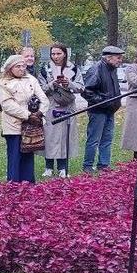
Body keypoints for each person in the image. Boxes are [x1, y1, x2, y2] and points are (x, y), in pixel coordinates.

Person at [0, 53, 50, 183]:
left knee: (28, 153)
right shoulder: (3, 83)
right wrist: (27, 115)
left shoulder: (31, 79)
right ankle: (14, 184)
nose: (21, 69)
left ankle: (28, 183)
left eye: (23, 66)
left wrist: (39, 113)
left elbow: (44, 99)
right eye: (18, 66)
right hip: (14, 125)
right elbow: (8, 105)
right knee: (15, 155)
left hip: (32, 124)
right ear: (10, 68)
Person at [39, 42, 82, 177]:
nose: (56, 56)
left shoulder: (73, 68)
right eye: (53, 54)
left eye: (59, 53)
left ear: (65, 54)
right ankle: (49, 167)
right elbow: (40, 88)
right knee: (50, 136)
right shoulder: (45, 69)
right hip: (51, 106)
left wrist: (68, 83)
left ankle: (63, 167)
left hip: (68, 106)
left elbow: (81, 87)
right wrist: (52, 84)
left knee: (65, 136)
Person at [81, 45, 124, 173]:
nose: (120, 60)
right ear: (108, 57)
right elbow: (87, 92)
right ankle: (88, 166)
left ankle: (104, 166)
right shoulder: (96, 69)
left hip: (110, 111)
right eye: (118, 58)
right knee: (94, 140)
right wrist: (104, 102)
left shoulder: (112, 69)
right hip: (98, 111)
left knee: (107, 139)